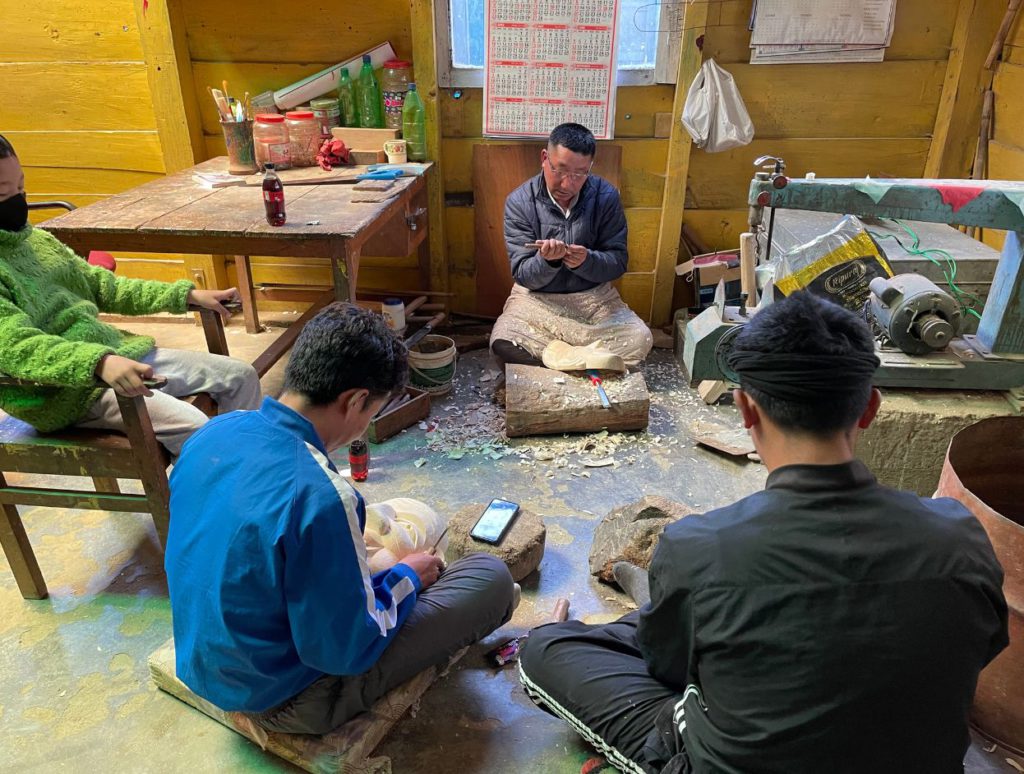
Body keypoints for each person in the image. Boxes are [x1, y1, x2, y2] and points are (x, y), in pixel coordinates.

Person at [519, 292, 1008, 774]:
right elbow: (979, 650)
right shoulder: (960, 535)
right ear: (870, 409)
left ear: (745, 409)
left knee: (546, 650)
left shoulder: (700, 547)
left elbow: (668, 669)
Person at [165, 303, 516, 735]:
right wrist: (406, 576)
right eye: (373, 412)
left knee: (380, 531)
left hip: (206, 664)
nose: (366, 424)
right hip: (285, 698)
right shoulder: (321, 496)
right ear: (355, 401)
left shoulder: (213, 433)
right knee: (490, 576)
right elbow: (344, 651)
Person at [0, 133, 260, 455]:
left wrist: (185, 296)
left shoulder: (37, 241)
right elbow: (16, 348)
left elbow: (103, 286)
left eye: (21, 188)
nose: (18, 201)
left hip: (113, 354)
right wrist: (98, 363)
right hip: (65, 390)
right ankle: (215, 493)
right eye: (3, 193)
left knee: (241, 376)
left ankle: (247, 475)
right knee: (199, 431)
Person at [490, 122, 653, 370]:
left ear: (590, 168)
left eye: (579, 174)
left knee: (640, 338)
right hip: (537, 301)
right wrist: (548, 261)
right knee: (502, 341)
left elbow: (618, 262)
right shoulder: (520, 202)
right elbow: (523, 275)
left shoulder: (606, 196)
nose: (568, 184)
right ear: (545, 158)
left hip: (593, 301)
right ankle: (587, 362)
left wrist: (587, 261)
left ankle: (559, 362)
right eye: (560, 170)